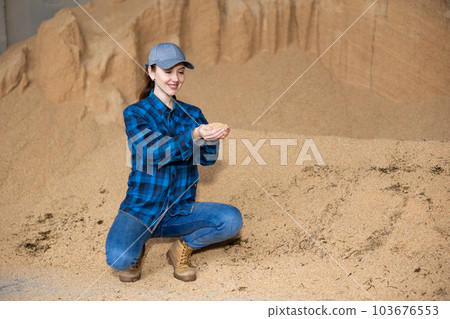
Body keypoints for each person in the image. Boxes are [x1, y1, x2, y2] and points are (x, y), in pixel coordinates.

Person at [105, 42, 243, 282]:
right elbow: (153, 152)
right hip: (142, 210)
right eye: (168, 71)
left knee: (231, 220)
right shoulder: (135, 113)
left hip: (180, 211)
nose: (175, 78)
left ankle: (181, 248)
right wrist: (193, 136)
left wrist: (212, 138)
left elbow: (207, 161)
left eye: (180, 72)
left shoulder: (193, 113)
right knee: (119, 259)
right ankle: (137, 246)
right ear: (151, 71)